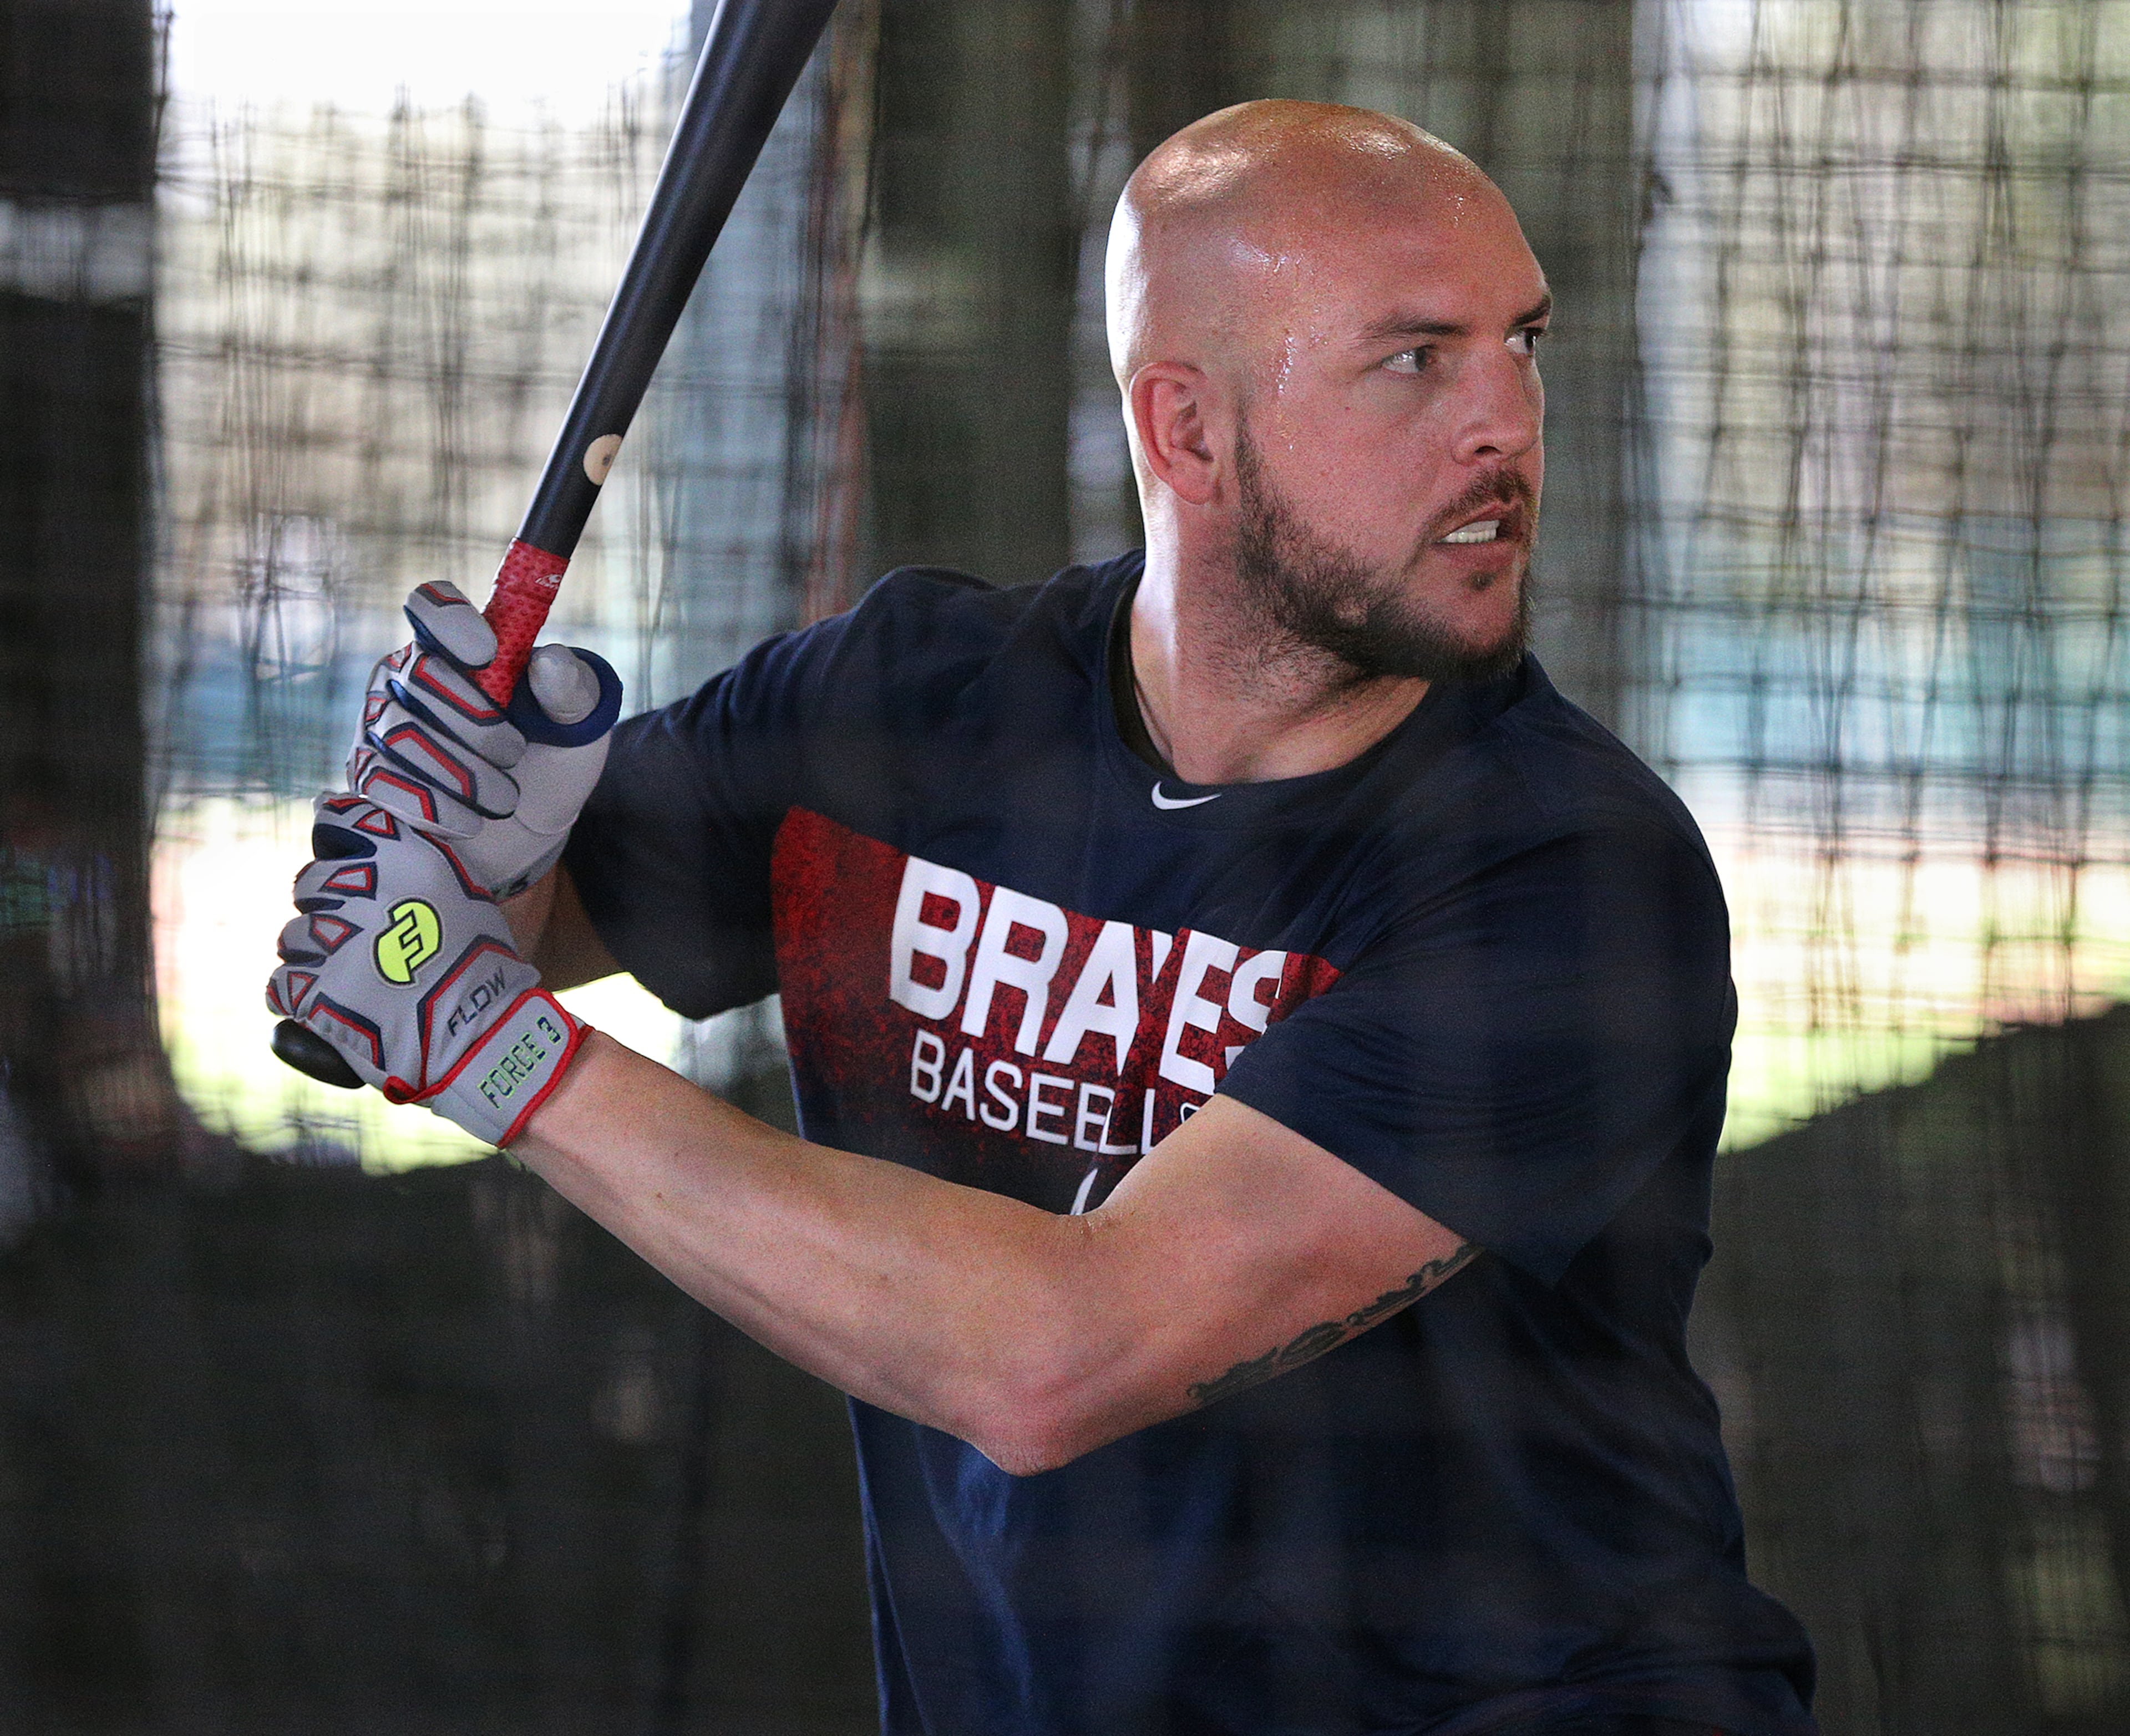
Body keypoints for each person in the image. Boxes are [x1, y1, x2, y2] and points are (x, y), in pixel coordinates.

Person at [271, 101, 1818, 1736]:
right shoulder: (908, 705)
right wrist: (465, 847)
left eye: (1525, 344)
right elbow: (421, 963)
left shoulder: (1566, 872)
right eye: (1418, 360)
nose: (1506, 423)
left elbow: (1058, 1356)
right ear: (1189, 430)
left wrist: (502, 1053)